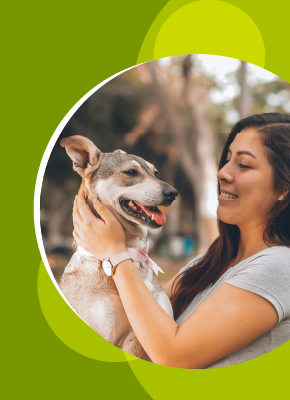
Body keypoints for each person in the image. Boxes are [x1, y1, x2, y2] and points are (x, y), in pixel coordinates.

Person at [72, 113, 290, 369]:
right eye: (227, 159)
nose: (222, 173)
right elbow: (138, 321)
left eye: (244, 165)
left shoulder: (279, 266)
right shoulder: (206, 263)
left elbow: (173, 356)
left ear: (283, 188)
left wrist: (114, 252)